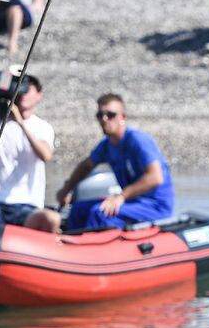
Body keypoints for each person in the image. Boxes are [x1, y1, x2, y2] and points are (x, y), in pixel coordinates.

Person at [52, 95, 175, 232]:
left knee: (99, 212)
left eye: (110, 115)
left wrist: (120, 197)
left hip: (154, 205)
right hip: (131, 201)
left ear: (123, 117)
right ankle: (68, 245)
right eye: (100, 115)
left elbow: (155, 177)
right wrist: (67, 189)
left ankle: (89, 250)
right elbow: (86, 165)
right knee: (78, 209)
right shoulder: (107, 145)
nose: (104, 119)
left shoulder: (138, 140)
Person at [0, 71, 56, 231]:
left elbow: (46, 155)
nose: (23, 94)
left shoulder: (42, 127)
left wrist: (20, 123)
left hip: (27, 203)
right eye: (19, 89)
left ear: (39, 95)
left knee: (51, 219)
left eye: (27, 89)